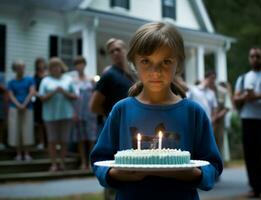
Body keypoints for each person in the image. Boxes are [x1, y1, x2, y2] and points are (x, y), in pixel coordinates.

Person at [90, 22, 223, 200]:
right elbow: (99, 160)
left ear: (179, 64)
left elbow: (213, 165)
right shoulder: (121, 110)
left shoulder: (193, 113)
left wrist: (195, 174)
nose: (156, 71)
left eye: (166, 61)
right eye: (146, 61)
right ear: (134, 64)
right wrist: (113, 174)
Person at [89, 38, 136, 200]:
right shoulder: (109, 75)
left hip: (131, 130)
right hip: (113, 129)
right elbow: (93, 105)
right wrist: (111, 116)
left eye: (118, 49)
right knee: (113, 168)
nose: (115, 53)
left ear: (125, 51)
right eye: (111, 51)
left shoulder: (131, 76)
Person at [233, 47, 261, 198]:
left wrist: (257, 96)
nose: (255, 59)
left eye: (257, 56)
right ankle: (256, 188)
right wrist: (246, 97)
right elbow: (235, 98)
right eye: (252, 56)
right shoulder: (243, 78)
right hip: (248, 120)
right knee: (251, 155)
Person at [39, 57, 77, 172]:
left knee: (64, 140)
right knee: (52, 140)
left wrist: (64, 92)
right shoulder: (45, 80)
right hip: (50, 116)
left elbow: (75, 96)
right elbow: (41, 97)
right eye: (52, 66)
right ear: (50, 69)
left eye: (57, 66)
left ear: (61, 67)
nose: (55, 68)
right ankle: (54, 164)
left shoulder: (68, 79)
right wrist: (54, 92)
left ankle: (62, 163)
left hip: (66, 115)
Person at [71, 56, 97, 170]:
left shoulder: (91, 79)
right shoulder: (72, 81)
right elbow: (71, 99)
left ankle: (91, 162)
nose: (79, 66)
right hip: (78, 112)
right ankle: (83, 162)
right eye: (77, 64)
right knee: (81, 138)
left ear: (84, 65)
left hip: (90, 112)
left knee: (91, 137)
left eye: (81, 63)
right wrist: (73, 112)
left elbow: (95, 96)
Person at [7, 60, 35, 161]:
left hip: (28, 108)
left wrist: (24, 104)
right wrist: (18, 105)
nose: (21, 69)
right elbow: (10, 95)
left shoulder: (29, 80)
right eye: (19, 67)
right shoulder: (11, 82)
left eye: (23, 67)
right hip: (14, 108)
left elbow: (32, 92)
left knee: (27, 130)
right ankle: (18, 153)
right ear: (15, 69)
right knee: (16, 130)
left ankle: (27, 153)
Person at [32, 57, 47, 150]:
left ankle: (48, 142)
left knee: (47, 123)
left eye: (42, 63)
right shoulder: (34, 76)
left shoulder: (47, 75)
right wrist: (39, 95)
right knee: (40, 123)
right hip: (38, 101)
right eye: (39, 63)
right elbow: (33, 90)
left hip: (47, 101)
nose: (40, 65)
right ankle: (41, 142)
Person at [0, 72, 7, 150]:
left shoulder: (1, 75)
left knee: (0, 123)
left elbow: (5, 89)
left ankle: (1, 142)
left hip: (0, 102)